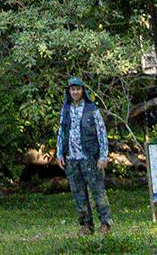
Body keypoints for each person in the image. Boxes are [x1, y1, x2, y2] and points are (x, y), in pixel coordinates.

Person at [55, 77, 112, 235]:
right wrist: (59, 153)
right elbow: (61, 132)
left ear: (83, 90)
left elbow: (102, 133)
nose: (75, 92)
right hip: (71, 158)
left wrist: (103, 156)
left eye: (78, 89)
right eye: (72, 89)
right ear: (69, 91)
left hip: (90, 157)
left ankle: (106, 224)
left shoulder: (92, 109)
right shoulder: (65, 109)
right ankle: (86, 225)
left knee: (97, 191)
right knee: (78, 193)